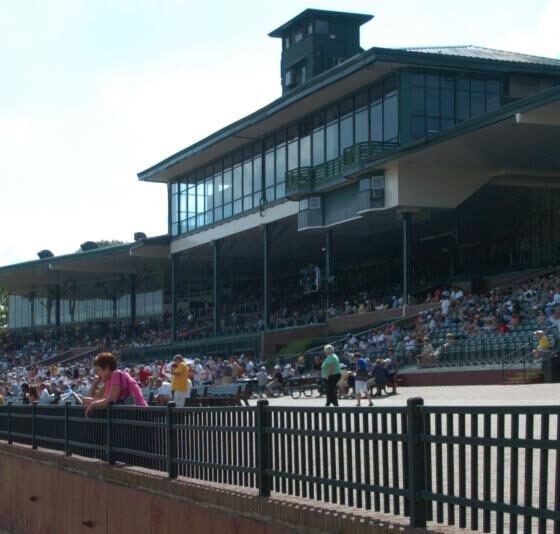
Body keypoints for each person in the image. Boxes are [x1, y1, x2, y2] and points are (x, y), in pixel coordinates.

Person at [81, 352, 147, 416]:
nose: (97, 374)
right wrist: (94, 385)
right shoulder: (110, 379)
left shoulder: (116, 374)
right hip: (132, 414)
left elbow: (111, 400)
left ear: (106, 368)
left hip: (140, 414)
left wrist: (92, 404)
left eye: (98, 370)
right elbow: (100, 400)